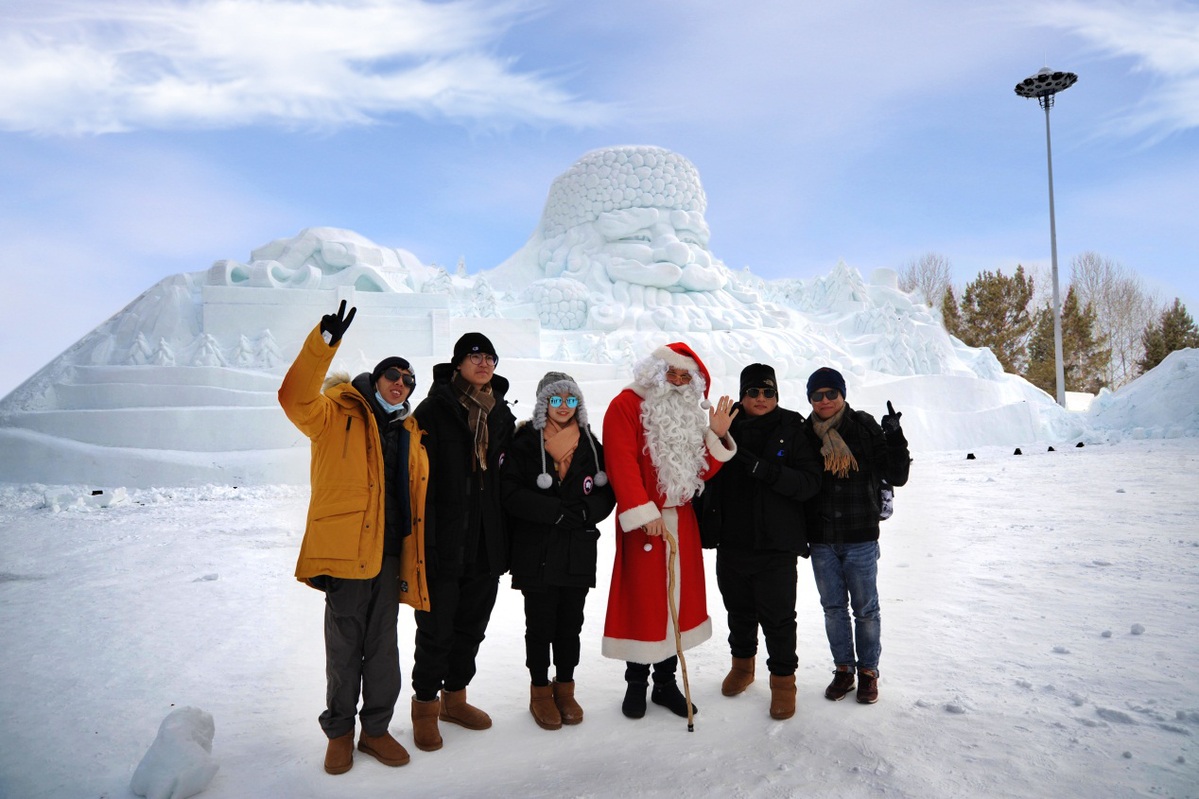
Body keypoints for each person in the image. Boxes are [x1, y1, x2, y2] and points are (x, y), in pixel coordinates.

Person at [278, 300, 429, 775]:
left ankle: (376, 731)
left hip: (387, 556)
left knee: (383, 648)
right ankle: (340, 732)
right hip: (345, 555)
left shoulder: (408, 429)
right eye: (393, 375)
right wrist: (322, 345)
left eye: (408, 381)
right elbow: (293, 398)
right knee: (344, 648)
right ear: (376, 377)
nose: (400, 384)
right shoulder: (333, 410)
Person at [601, 342, 738, 720]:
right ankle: (635, 683)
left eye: (684, 376)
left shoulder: (689, 414)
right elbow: (620, 461)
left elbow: (700, 471)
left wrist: (716, 435)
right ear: (654, 372)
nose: (677, 382)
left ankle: (665, 684)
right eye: (671, 373)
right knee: (644, 603)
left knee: (676, 602)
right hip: (646, 524)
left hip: (682, 522)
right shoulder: (625, 405)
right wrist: (645, 513)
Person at [696, 363, 822, 720]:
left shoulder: (793, 427)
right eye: (753, 392)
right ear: (742, 394)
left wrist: (762, 470)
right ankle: (742, 667)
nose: (761, 398)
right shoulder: (726, 425)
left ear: (777, 395)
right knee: (738, 610)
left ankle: (783, 682)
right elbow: (702, 473)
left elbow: (809, 483)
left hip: (776, 544)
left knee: (779, 618)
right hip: (733, 541)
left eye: (768, 392)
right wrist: (714, 437)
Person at [409, 332, 516, 751]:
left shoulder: (500, 413)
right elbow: (415, 478)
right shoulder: (435, 409)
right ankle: (425, 707)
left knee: (472, 627)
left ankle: (455, 698)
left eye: (490, 357)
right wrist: (422, 540)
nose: (484, 363)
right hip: (443, 542)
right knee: (436, 630)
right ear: (458, 364)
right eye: (475, 356)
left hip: (485, 544)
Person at [501, 372, 616, 730]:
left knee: (571, 625)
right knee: (539, 626)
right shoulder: (524, 443)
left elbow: (607, 491)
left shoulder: (591, 446)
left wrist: (585, 512)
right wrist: (553, 512)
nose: (563, 407)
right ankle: (539, 690)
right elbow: (509, 492)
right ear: (543, 404)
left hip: (576, 549)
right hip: (537, 551)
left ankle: (565, 688)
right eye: (556, 400)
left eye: (570, 400)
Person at [801, 367, 909, 705]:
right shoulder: (804, 433)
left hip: (860, 535)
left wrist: (895, 437)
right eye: (817, 395)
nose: (825, 400)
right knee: (833, 608)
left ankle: (868, 672)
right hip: (821, 539)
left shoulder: (863, 426)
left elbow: (897, 474)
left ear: (842, 394)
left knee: (865, 610)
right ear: (810, 399)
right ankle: (844, 669)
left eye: (831, 393)